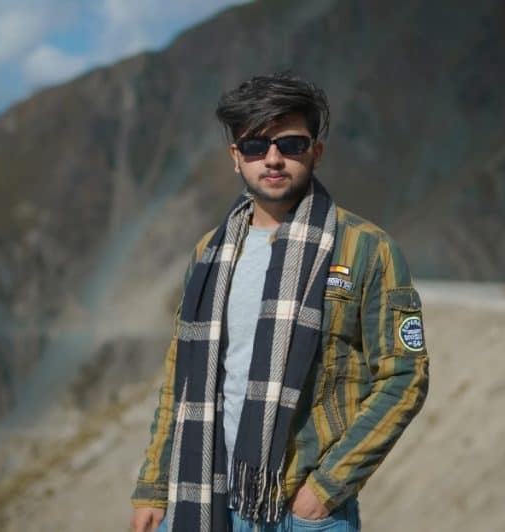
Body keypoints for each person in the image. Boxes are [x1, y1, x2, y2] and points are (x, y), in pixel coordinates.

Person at [129, 72, 429, 532]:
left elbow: (404, 378)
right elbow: (180, 377)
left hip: (301, 511)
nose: (272, 159)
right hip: (203, 499)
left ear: (316, 152)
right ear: (236, 157)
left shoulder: (367, 249)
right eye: (254, 146)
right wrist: (153, 485)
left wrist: (325, 490)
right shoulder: (208, 254)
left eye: (290, 144)